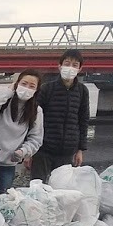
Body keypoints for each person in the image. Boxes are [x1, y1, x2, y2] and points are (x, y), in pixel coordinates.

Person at [0, 69, 44, 208]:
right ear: (16, 83)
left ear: (36, 90)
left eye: (32, 86)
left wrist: (23, 152)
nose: (26, 88)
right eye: (23, 83)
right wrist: (9, 92)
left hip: (7, 166)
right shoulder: (4, 101)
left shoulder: (36, 111)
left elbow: (36, 139)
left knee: (1, 206)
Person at [31, 49, 90, 181]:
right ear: (59, 66)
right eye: (67, 63)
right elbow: (34, 119)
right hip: (43, 148)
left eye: (75, 65)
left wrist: (80, 149)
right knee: (38, 185)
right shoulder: (47, 88)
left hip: (67, 150)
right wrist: (30, 150)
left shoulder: (82, 91)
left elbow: (83, 120)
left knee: (61, 188)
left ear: (80, 69)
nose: (70, 68)